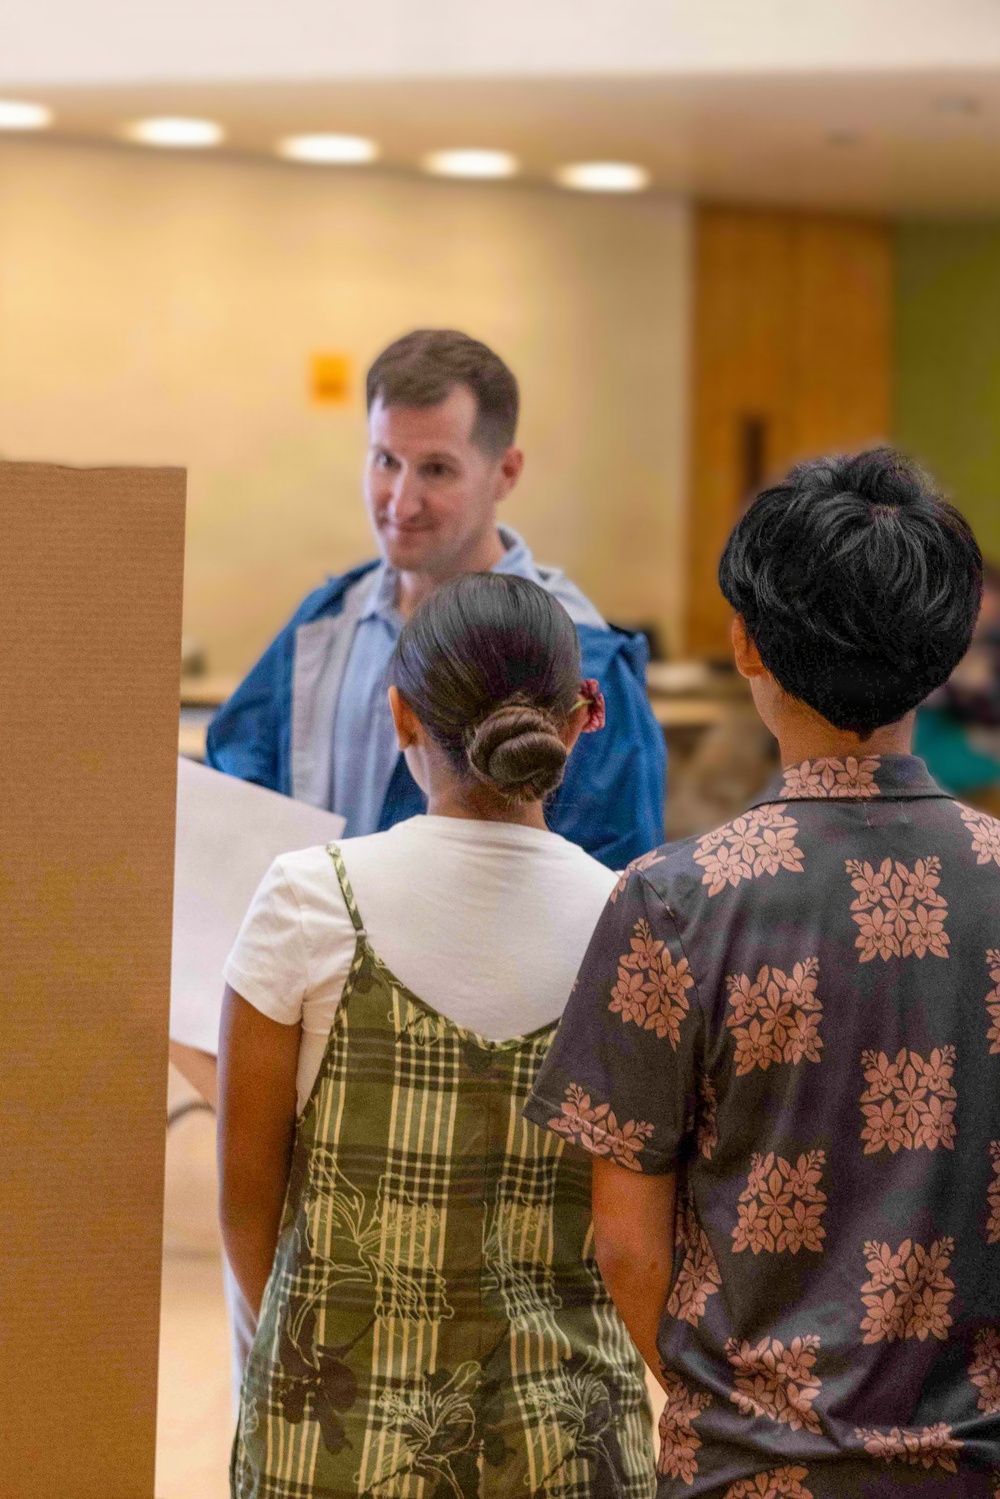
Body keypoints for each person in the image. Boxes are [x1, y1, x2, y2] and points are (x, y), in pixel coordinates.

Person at [526, 448, 1000, 1498]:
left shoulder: (673, 902)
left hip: (746, 1468)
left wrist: (741, 1414)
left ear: (745, 641)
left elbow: (624, 1240)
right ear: (947, 647)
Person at [218, 573, 655, 1499]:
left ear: (401, 715)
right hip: (569, 1448)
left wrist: (312, 1372)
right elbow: (641, 1236)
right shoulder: (634, 923)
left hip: (336, 1446)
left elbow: (244, 1206)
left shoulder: (308, 899)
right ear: (584, 717)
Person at [206, 328, 665, 871]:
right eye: (385, 461)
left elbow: (614, 884)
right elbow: (239, 792)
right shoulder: (323, 628)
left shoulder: (581, 663)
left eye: (437, 469)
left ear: (506, 473)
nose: (402, 502)